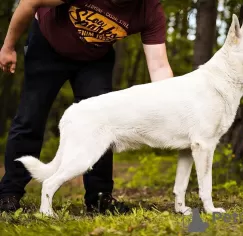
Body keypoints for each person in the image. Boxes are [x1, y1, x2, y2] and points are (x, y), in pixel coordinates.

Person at [0, 0, 173, 214]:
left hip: (94, 59)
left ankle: (99, 199)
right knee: (30, 117)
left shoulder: (149, 9)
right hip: (48, 46)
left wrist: (170, 106)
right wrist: (8, 47)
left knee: (105, 121)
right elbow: (29, 3)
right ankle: (9, 194)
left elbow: (159, 66)